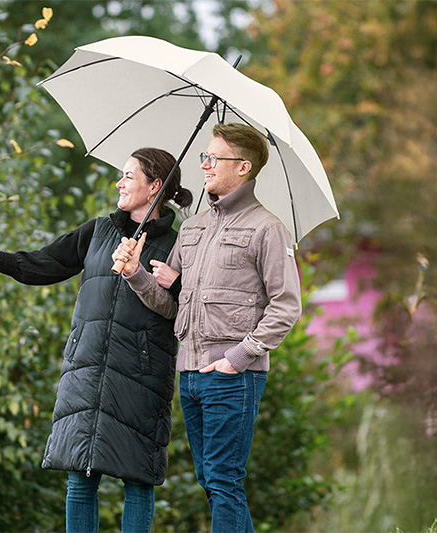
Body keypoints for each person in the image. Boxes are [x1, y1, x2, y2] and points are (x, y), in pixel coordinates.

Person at [0, 148, 193, 533]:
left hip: (142, 371)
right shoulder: (99, 231)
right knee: (79, 475)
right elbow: (39, 266)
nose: (119, 183)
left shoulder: (180, 244)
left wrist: (148, 273)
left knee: (138, 478)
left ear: (155, 186)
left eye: (129, 176)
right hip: (85, 366)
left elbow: (182, 306)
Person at [112, 123, 302, 532]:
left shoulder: (267, 228)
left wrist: (237, 359)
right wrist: (134, 274)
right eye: (204, 157)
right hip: (191, 374)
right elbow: (169, 305)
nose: (205, 165)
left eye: (215, 158)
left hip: (234, 376)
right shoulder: (194, 227)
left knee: (223, 481)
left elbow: (286, 307)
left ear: (244, 167)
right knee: (214, 482)